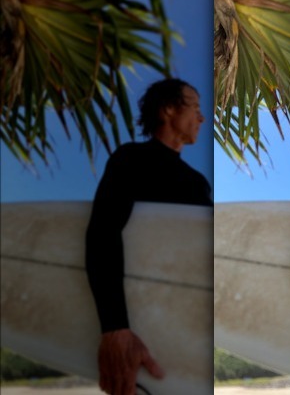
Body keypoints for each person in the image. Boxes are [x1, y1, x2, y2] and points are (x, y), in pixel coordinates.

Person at [85, 78, 212, 395]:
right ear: (169, 109)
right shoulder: (131, 159)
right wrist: (114, 328)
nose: (202, 117)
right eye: (195, 107)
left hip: (182, 326)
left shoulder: (196, 182)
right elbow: (103, 231)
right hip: (135, 322)